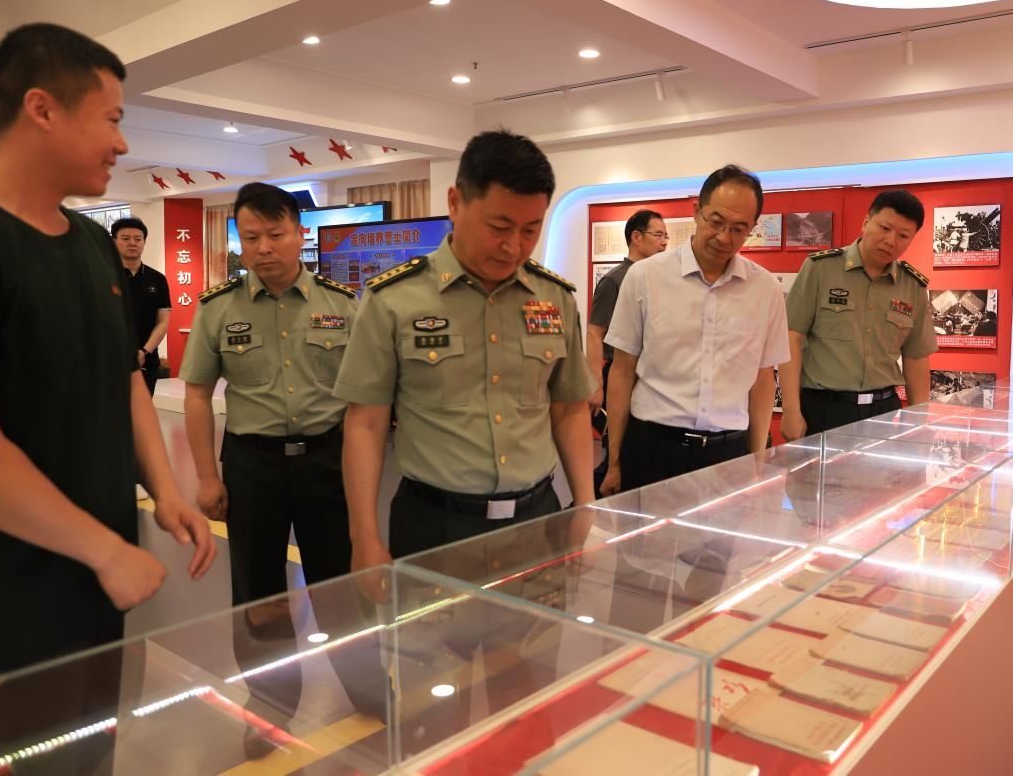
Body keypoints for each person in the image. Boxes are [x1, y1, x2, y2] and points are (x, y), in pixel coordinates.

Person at [0, 23, 214, 769]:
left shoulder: (87, 242)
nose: (121, 143)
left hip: (97, 583)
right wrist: (106, 550)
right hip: (3, 591)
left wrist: (164, 490)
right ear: (42, 108)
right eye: (111, 119)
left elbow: (123, 379)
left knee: (85, 753)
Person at [336, 129, 595, 565]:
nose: (514, 246)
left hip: (536, 521)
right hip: (434, 527)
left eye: (530, 230)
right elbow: (366, 423)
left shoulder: (554, 298)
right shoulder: (393, 299)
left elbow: (569, 407)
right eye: (499, 227)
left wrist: (585, 505)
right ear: (455, 203)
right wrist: (363, 539)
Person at [179, 182, 370, 757]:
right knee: (258, 592)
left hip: (327, 463)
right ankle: (269, 707)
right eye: (251, 236)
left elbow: (366, 400)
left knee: (340, 586)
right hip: (252, 466)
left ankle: (365, 686)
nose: (263, 247)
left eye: (276, 234)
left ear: (300, 233)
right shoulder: (218, 308)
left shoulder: (343, 304)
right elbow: (196, 395)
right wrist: (206, 478)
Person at [600, 164, 789, 495]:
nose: (724, 237)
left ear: (753, 228)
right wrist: (614, 460)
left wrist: (756, 461)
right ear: (697, 211)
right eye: (716, 222)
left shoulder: (765, 289)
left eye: (738, 229)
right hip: (653, 448)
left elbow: (762, 380)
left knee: (721, 532)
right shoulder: (645, 277)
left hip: (728, 453)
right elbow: (622, 370)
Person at [779, 189, 937, 441]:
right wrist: (790, 410)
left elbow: (916, 357)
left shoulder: (912, 286)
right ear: (866, 222)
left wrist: (920, 421)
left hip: (884, 412)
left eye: (903, 235)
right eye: (885, 228)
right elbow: (791, 337)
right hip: (824, 410)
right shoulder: (821, 269)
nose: (891, 240)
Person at [586, 209, 666, 493]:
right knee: (617, 454)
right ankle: (589, 501)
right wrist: (596, 384)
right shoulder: (614, 281)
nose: (664, 242)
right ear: (636, 237)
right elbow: (595, 333)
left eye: (666, 237)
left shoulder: (659, 279)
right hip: (619, 374)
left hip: (647, 374)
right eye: (658, 235)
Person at [111, 216, 170, 396]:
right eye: (125, 238)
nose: (132, 243)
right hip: (109, 361)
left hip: (146, 361)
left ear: (144, 242)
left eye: (138, 239)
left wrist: (144, 352)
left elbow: (162, 322)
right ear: (114, 241)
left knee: (142, 410)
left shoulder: (157, 279)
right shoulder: (103, 276)